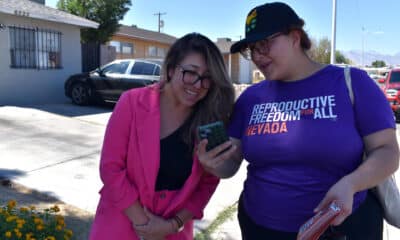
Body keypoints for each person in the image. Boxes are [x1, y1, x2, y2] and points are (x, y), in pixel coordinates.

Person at [197, 2, 399, 240]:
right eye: (251, 49)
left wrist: (352, 184)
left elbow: (387, 152)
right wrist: (213, 163)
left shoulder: (353, 83)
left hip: (340, 228)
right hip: (260, 228)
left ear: (295, 37)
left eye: (264, 44)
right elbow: (231, 164)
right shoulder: (251, 97)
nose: (257, 56)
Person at [89, 33, 235, 240]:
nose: (197, 84)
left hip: (172, 230)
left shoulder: (209, 119)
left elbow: (208, 183)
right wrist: (145, 225)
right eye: (190, 72)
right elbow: (111, 168)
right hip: (121, 223)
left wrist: (172, 225)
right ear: (171, 69)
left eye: (207, 78)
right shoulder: (131, 103)